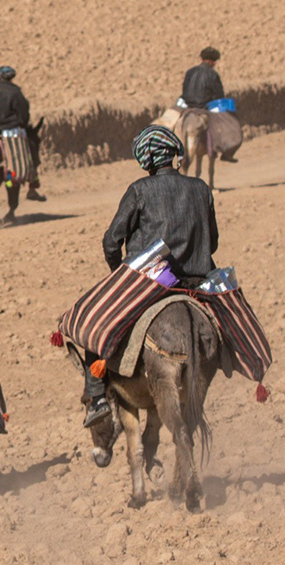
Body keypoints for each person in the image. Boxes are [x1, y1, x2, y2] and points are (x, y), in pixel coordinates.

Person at [82, 126, 220, 426]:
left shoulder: (139, 190)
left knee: (95, 319)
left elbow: (111, 241)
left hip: (148, 283)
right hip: (198, 283)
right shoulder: (201, 188)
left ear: (145, 161)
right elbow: (213, 242)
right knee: (230, 317)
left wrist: (119, 272)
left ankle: (97, 397)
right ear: (175, 155)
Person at [0, 66, 45, 201]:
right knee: (31, 149)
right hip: (10, 130)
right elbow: (23, 114)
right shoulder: (16, 92)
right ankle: (32, 187)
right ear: (12, 77)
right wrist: (22, 124)